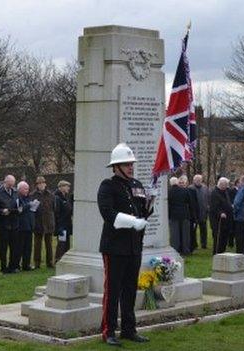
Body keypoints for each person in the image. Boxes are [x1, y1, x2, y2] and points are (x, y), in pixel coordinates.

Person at [98, 143, 152, 346]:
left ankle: (129, 330)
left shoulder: (137, 184)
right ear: (116, 166)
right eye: (126, 164)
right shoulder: (107, 186)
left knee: (130, 290)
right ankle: (108, 330)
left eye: (131, 164)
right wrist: (132, 221)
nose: (131, 167)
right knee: (112, 291)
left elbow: (143, 213)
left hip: (133, 246)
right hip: (114, 247)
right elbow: (108, 214)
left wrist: (150, 203)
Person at [0, 175, 20, 274]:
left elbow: (18, 205)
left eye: (12, 184)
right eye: (9, 184)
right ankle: (3, 268)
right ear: (5, 182)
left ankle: (13, 266)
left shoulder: (15, 192)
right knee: (3, 247)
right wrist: (1, 211)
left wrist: (17, 210)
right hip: (3, 224)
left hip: (14, 223)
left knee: (14, 247)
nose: (11, 186)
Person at [31, 176, 56, 268]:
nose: (41, 185)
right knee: (37, 244)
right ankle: (37, 263)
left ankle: (49, 262)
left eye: (42, 183)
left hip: (49, 222)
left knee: (49, 244)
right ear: (36, 185)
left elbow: (54, 208)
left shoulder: (51, 195)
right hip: (38, 222)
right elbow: (31, 209)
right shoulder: (32, 195)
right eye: (39, 183)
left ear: (45, 184)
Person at [17, 181, 39, 271]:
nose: (27, 190)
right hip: (21, 226)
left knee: (28, 247)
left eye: (28, 189)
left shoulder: (29, 197)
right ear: (20, 189)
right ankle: (17, 265)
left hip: (29, 226)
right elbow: (19, 209)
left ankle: (26, 265)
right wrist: (29, 205)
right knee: (19, 247)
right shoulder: (17, 198)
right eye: (25, 189)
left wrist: (34, 205)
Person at [210, 177, 233, 254]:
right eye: (226, 185)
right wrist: (220, 213)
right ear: (221, 184)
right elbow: (214, 207)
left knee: (225, 237)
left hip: (226, 219)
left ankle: (222, 252)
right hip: (218, 220)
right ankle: (217, 253)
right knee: (218, 237)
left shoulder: (225, 191)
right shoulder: (214, 193)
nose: (227, 186)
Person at [168, 176, 191, 255]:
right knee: (185, 234)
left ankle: (175, 250)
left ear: (170, 183)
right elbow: (189, 202)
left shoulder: (169, 192)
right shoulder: (184, 191)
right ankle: (186, 249)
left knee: (175, 234)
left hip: (174, 215)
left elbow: (168, 205)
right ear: (177, 182)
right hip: (184, 214)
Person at [189, 174, 210, 249]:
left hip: (203, 212)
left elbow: (208, 198)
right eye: (196, 180)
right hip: (194, 213)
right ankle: (194, 244)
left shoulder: (205, 188)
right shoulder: (190, 188)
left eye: (199, 180)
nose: (198, 181)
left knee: (204, 230)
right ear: (194, 180)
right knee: (193, 230)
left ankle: (204, 244)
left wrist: (208, 207)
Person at [54, 180, 73, 262]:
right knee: (61, 244)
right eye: (66, 186)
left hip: (67, 224)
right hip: (61, 225)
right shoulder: (57, 198)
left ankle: (65, 259)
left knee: (66, 243)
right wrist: (59, 226)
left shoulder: (66, 197)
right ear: (61, 187)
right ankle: (58, 259)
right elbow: (56, 213)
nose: (68, 188)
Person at [184, 176, 200, 252]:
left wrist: (196, 214)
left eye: (185, 181)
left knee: (193, 231)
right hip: (185, 214)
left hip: (192, 213)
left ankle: (193, 246)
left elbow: (195, 203)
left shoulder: (192, 191)